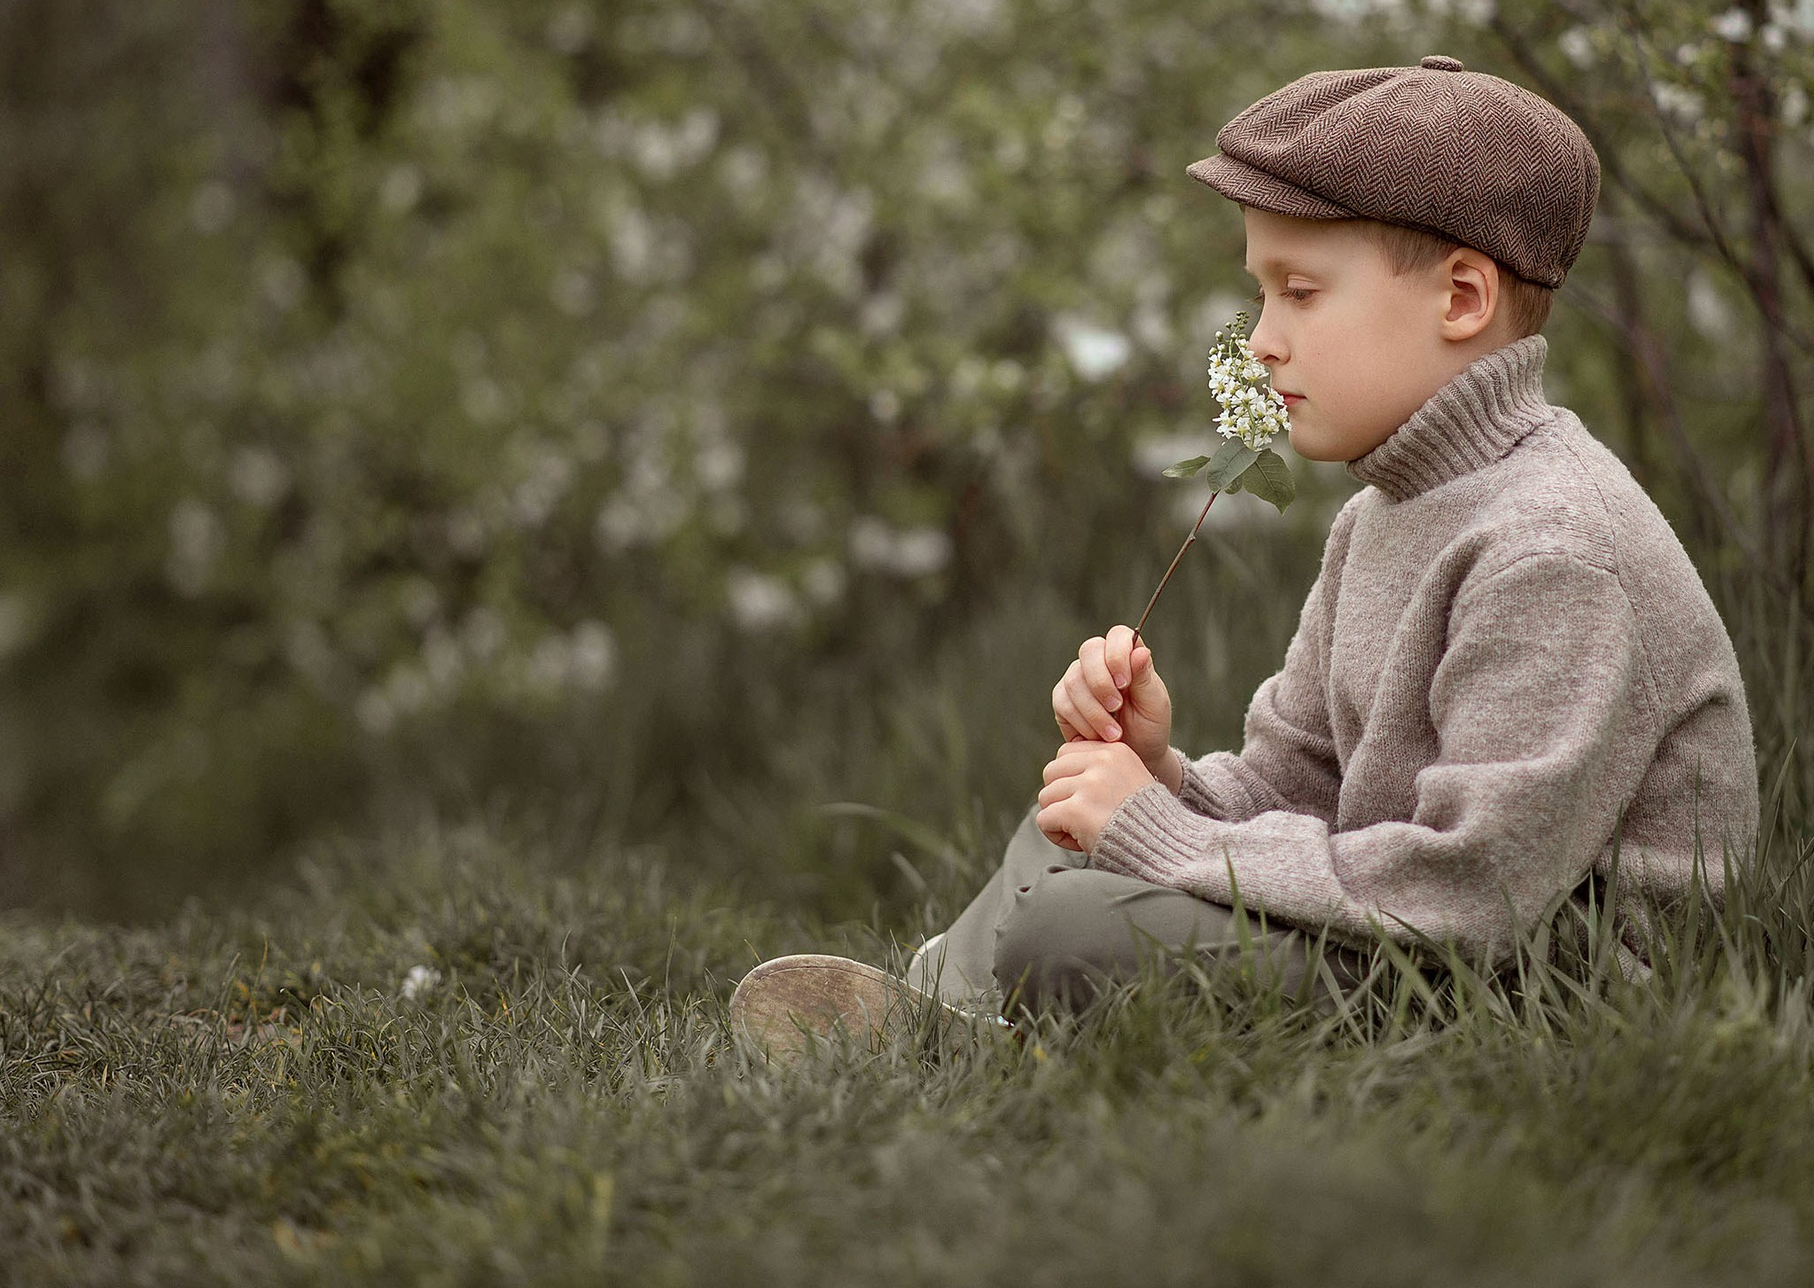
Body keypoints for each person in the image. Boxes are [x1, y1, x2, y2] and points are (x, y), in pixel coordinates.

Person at [730, 54, 1757, 1055]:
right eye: (1262, 295)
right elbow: (1300, 781)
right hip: (1402, 930)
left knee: (1078, 927)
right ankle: (934, 1014)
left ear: (1460, 299)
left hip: (1527, 989)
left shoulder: (1554, 547)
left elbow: (1474, 888)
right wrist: (1158, 776)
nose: (1262, 339)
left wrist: (1163, 839)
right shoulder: (1382, 514)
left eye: (1299, 293)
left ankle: (963, 1028)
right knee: (1073, 812)